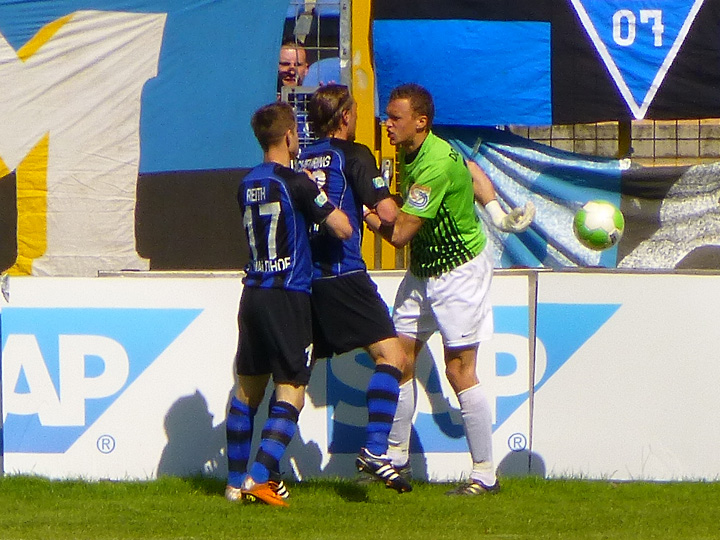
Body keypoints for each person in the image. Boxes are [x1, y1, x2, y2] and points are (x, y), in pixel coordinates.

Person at [364, 83, 533, 496]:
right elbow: (472, 170)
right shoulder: (424, 150)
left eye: (395, 118)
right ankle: (396, 458)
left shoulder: (434, 166)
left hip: (458, 274)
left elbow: (399, 235)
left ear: (420, 122)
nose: (387, 125)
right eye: (387, 117)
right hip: (423, 271)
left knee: (459, 370)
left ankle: (485, 475)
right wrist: (496, 212)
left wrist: (369, 216)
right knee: (398, 358)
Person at [225, 102, 351, 507]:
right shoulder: (296, 182)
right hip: (288, 296)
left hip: (253, 294)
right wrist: (326, 201)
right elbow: (342, 228)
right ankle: (259, 478)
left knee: (247, 391)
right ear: (289, 136)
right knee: (292, 390)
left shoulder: (245, 183)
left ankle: (233, 484)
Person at [297, 84, 412, 493]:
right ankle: (376, 450)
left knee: (293, 378)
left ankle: (260, 471)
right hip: (344, 273)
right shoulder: (355, 154)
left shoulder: (302, 157)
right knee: (392, 356)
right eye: (356, 112)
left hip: (306, 277)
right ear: (345, 116)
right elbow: (389, 214)